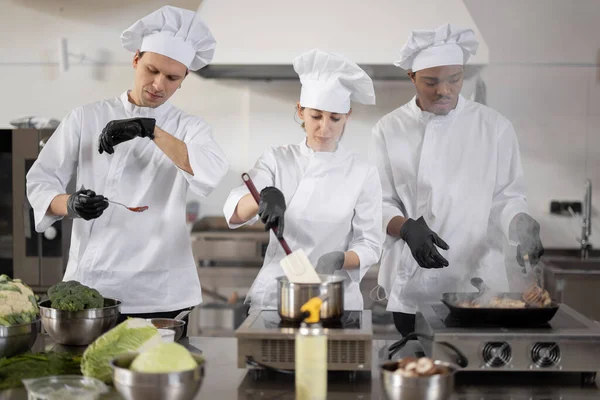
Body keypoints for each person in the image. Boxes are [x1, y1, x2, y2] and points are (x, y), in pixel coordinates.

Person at [26, 6, 229, 333]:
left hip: (161, 295)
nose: (159, 85)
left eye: (172, 77)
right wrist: (71, 204)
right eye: (152, 70)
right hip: (94, 289)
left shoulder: (188, 127)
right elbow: (40, 180)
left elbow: (210, 170)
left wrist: (150, 129)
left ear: (184, 78)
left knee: (156, 381)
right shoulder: (86, 117)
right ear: (135, 59)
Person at [371, 24, 544, 336]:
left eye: (454, 79)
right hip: (414, 284)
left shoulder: (494, 128)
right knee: (417, 369)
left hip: (480, 288)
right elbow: (377, 202)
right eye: (431, 81)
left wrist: (519, 221)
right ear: (412, 76)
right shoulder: (388, 129)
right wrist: (406, 228)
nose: (444, 90)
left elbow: (507, 198)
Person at [223, 49, 383, 314]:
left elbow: (370, 244)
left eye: (335, 118)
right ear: (301, 110)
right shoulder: (277, 159)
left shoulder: (362, 172)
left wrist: (341, 259)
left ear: (348, 116)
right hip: (276, 298)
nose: (325, 128)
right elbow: (236, 212)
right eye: (316, 116)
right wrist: (263, 198)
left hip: (334, 298)